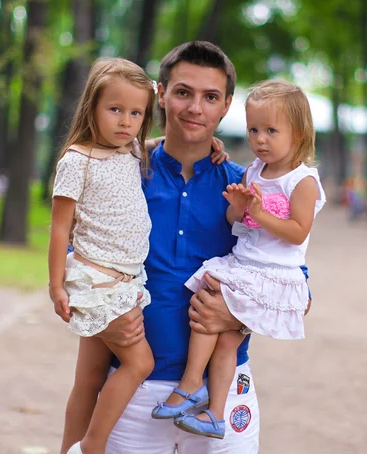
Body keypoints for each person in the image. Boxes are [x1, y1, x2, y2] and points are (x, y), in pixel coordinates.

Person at [151, 80, 325, 439]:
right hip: (244, 263)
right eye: (253, 130)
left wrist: (258, 214)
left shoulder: (303, 181)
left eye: (271, 131)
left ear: (299, 132)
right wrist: (237, 209)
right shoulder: (252, 172)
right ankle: (203, 399)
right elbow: (237, 223)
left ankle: (201, 395)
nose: (260, 139)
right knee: (210, 318)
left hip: (272, 271)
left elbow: (297, 232)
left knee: (217, 324)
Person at [49, 58, 158, 454]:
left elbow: (148, 142)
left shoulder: (129, 149)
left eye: (136, 113)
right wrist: (56, 285)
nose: (125, 121)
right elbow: (60, 227)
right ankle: (92, 446)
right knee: (140, 363)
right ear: (92, 106)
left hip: (126, 279)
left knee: (90, 378)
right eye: (115, 109)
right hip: (99, 282)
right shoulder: (78, 160)